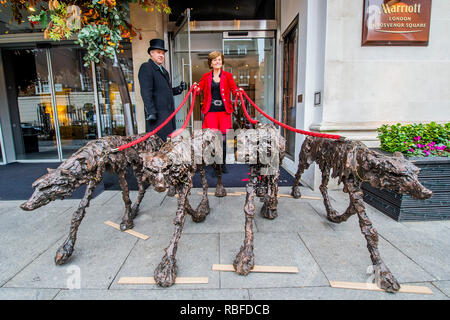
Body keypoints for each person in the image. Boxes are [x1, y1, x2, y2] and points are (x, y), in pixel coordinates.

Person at [196, 51, 240, 172]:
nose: (217, 62)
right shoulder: (206, 76)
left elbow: (233, 89)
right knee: (211, 138)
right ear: (210, 63)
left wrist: (238, 92)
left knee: (224, 139)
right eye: (214, 60)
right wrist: (196, 88)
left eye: (219, 59)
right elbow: (199, 88)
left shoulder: (228, 76)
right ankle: (212, 162)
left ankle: (222, 163)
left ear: (222, 62)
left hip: (224, 112)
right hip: (210, 112)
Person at [138, 38, 187, 141]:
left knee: (168, 144)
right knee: (159, 145)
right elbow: (146, 92)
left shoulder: (164, 71)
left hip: (168, 115)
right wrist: (151, 112)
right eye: (158, 52)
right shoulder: (146, 67)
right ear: (151, 53)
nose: (161, 55)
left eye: (163, 53)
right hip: (157, 117)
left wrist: (179, 89)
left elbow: (166, 91)